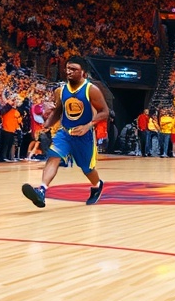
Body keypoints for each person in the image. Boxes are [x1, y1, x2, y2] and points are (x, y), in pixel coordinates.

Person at [21, 57, 112, 208]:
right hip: (65, 133)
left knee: (87, 169)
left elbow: (105, 112)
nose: (69, 72)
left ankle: (97, 185)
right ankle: (41, 190)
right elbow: (58, 111)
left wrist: (88, 125)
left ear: (83, 72)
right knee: (53, 156)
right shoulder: (60, 91)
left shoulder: (91, 90)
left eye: (74, 69)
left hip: (84, 135)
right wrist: (47, 124)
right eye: (68, 68)